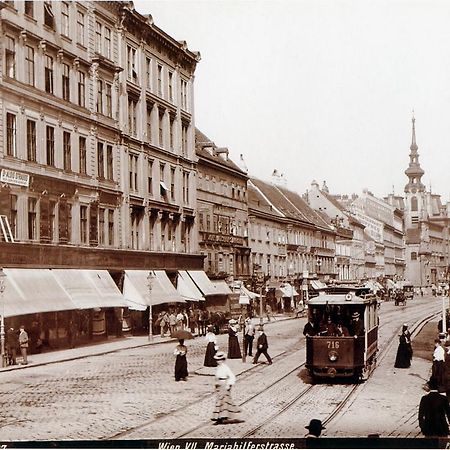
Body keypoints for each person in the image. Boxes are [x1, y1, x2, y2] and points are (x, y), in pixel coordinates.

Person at [211, 351, 240, 425]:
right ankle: (221, 416)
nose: (218, 361)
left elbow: (232, 376)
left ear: (223, 360)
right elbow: (217, 377)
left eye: (220, 360)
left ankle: (221, 417)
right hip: (219, 385)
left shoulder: (225, 367)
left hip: (224, 385)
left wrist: (229, 384)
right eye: (217, 360)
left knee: (223, 401)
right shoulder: (218, 367)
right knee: (220, 401)